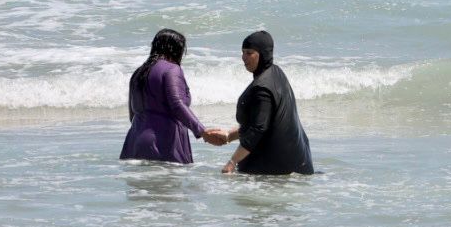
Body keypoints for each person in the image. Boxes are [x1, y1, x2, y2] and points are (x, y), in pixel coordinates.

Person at [119, 28, 227, 164]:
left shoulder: (138, 72)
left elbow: (132, 114)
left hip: (134, 141)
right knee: (168, 185)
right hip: (163, 142)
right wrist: (202, 131)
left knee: (142, 185)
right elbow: (176, 104)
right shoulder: (172, 69)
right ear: (176, 50)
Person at [221, 30, 314, 175]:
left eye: (249, 53)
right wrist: (228, 136)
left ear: (262, 54)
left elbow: (258, 129)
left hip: (275, 170)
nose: (243, 57)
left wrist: (232, 163)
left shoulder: (262, 88)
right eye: (243, 52)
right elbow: (264, 122)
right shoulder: (276, 73)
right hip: (296, 163)